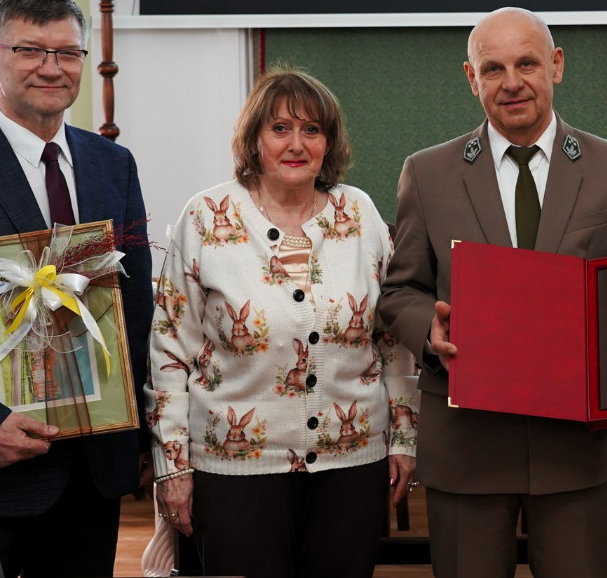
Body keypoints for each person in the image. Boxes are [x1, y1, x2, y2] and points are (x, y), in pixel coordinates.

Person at [378, 7, 607, 578]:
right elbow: (401, 290)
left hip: (576, 447)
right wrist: (429, 326)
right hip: (467, 441)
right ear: (471, 79)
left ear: (556, 64)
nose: (512, 82)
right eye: (493, 68)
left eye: (527, 63)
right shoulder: (426, 173)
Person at [147, 67, 417, 578]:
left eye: (311, 130)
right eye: (280, 129)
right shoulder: (205, 216)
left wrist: (403, 439)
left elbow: (392, 340)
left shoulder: (359, 214)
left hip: (353, 464)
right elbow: (168, 349)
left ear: (329, 143)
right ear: (254, 140)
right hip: (233, 470)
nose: (297, 144)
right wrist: (173, 466)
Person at [0, 0, 154, 577]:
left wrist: (143, 435)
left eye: (68, 53)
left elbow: (136, 305)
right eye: (31, 50)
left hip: (95, 469)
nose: (52, 68)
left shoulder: (111, 164)